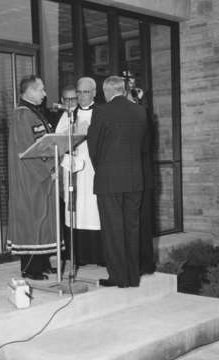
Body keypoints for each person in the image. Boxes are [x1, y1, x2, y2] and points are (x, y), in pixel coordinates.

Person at [87, 75, 148, 287]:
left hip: (109, 180)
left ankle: (118, 277)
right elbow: (144, 147)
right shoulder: (140, 111)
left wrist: (102, 170)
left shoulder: (101, 112)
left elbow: (93, 147)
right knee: (132, 228)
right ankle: (132, 276)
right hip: (134, 179)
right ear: (122, 90)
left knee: (113, 229)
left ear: (107, 91)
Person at [7, 75, 57, 280]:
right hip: (30, 178)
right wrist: (48, 171)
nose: (45, 94)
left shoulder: (35, 113)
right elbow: (26, 150)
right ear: (29, 91)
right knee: (32, 220)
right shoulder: (22, 115)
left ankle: (43, 263)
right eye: (41, 89)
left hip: (43, 175)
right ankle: (30, 268)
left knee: (44, 220)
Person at [56, 78, 104, 266]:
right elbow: (58, 140)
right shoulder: (69, 114)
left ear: (94, 93)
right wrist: (74, 130)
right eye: (79, 92)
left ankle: (100, 256)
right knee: (77, 210)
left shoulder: (102, 112)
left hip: (94, 169)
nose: (81, 96)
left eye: (86, 92)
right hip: (75, 169)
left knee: (95, 212)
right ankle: (78, 256)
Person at [124, 70, 156, 275]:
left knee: (141, 221)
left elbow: (145, 144)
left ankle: (143, 262)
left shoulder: (143, 113)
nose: (132, 92)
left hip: (141, 174)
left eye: (134, 88)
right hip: (126, 175)